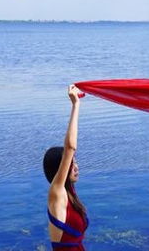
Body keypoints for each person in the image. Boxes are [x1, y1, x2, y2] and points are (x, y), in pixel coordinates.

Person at [43, 85, 88, 250]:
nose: (76, 167)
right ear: (60, 168)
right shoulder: (57, 193)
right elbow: (70, 147)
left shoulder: (70, 193)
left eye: (75, 162)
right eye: (71, 164)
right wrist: (76, 105)